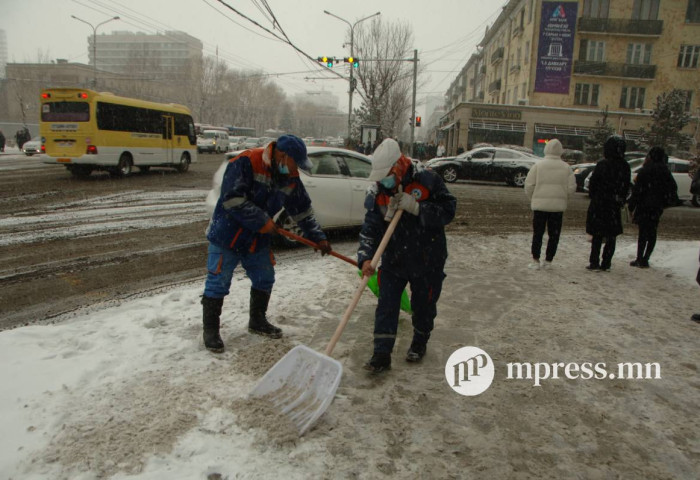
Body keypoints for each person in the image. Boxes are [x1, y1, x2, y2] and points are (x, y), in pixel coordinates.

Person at [201, 135, 331, 353]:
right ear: (283, 155)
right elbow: (232, 199)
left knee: (265, 278)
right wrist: (262, 221)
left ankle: (257, 321)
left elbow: (302, 211)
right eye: (295, 163)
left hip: (256, 239)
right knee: (218, 282)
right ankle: (211, 331)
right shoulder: (246, 162)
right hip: (228, 235)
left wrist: (318, 238)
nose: (295, 169)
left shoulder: (290, 177)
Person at [358, 138, 457, 373]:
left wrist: (418, 208)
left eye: (387, 175)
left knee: (423, 306)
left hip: (428, 258)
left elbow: (449, 210)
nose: (384, 181)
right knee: (387, 306)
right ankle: (381, 354)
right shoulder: (378, 190)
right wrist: (365, 257)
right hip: (394, 259)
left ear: (399, 165)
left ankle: (419, 342)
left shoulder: (428, 179)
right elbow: (370, 228)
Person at [524, 138, 577, 269]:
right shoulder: (566, 168)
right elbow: (571, 188)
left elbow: (529, 185)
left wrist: (534, 198)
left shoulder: (538, 166)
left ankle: (536, 259)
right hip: (557, 208)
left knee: (538, 234)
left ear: (546, 150)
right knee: (554, 235)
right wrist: (563, 197)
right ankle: (548, 260)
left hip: (539, 206)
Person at [585, 135, 631, 271]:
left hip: (600, 204)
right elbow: (625, 186)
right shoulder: (624, 166)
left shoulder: (602, 164)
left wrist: (596, 196)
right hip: (614, 205)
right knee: (611, 236)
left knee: (597, 235)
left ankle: (594, 262)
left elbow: (593, 184)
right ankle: (606, 262)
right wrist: (620, 198)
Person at [627, 147, 678, 268]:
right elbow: (672, 188)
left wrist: (632, 205)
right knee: (652, 231)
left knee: (643, 232)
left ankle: (639, 258)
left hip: (644, 205)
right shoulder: (665, 171)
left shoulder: (646, 170)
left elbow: (637, 190)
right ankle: (646, 258)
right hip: (657, 206)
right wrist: (664, 202)